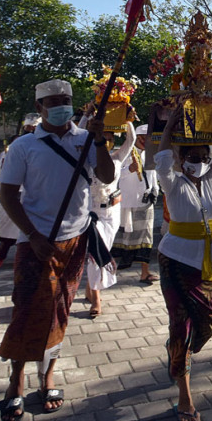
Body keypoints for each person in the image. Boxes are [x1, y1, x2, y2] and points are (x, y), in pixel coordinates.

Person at [0, 79, 115, 421]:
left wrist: (101, 141)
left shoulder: (85, 138)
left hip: (75, 240)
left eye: (66, 99)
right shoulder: (23, 146)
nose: (61, 104)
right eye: (54, 100)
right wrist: (32, 235)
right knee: (27, 309)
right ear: (40, 107)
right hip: (37, 242)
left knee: (59, 310)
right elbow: (8, 195)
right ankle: (15, 380)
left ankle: (47, 376)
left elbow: (105, 176)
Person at [155, 105, 212, 421]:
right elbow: (162, 159)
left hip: (204, 266)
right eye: (194, 157)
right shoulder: (172, 182)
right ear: (182, 158)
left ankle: (178, 352)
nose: (200, 162)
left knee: (210, 320)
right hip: (174, 263)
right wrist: (171, 125)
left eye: (204, 156)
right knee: (182, 328)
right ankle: (184, 396)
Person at [82, 119, 135, 317]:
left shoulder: (117, 158)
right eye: (103, 138)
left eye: (110, 138)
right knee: (97, 254)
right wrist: (88, 118)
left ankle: (90, 287)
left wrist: (126, 118)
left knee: (102, 250)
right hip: (92, 213)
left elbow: (132, 140)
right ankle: (96, 299)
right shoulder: (86, 158)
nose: (107, 141)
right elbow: (79, 133)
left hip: (112, 213)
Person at [112, 123, 160, 284]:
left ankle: (144, 273)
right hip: (126, 203)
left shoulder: (151, 154)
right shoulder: (124, 153)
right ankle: (109, 274)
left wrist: (155, 191)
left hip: (145, 202)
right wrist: (129, 170)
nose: (144, 141)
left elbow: (153, 175)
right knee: (120, 239)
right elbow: (114, 176)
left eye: (147, 139)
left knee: (146, 237)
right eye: (141, 138)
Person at [0, 114, 42, 265]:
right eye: (29, 128)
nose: (31, 130)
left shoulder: (42, 148)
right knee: (12, 227)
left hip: (35, 194)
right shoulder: (12, 149)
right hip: (15, 193)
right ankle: (5, 251)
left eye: (34, 128)